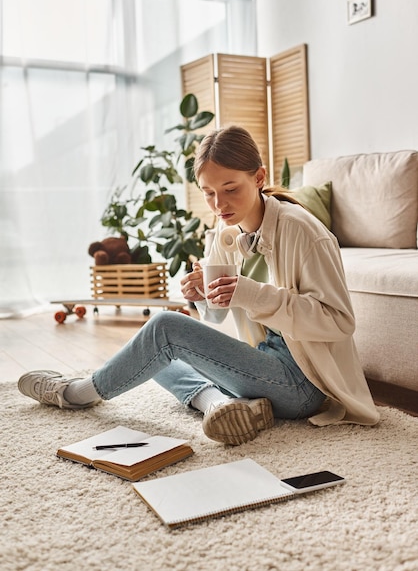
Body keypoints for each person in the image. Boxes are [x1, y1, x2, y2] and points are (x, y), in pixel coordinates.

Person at [18, 125, 380, 445]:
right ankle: (222, 406)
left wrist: (250, 292)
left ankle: (77, 393)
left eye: (230, 188)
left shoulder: (302, 230)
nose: (219, 204)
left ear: (258, 177)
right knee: (152, 355)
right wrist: (200, 297)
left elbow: (339, 321)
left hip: (304, 384)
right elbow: (219, 316)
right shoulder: (224, 232)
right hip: (263, 363)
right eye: (208, 193)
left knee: (163, 330)